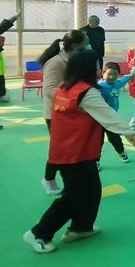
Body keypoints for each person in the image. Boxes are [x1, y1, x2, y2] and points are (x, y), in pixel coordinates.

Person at [23, 50, 135, 254]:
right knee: (74, 196)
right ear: (87, 69)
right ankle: (39, 233)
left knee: (92, 190)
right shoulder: (86, 92)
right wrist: (131, 135)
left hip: (71, 150)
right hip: (75, 153)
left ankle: (81, 227)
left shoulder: (65, 87)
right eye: (97, 66)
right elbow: (107, 115)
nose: (99, 70)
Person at [39, 29, 89, 195]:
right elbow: (49, 90)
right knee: (61, 150)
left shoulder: (76, 60)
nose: (87, 49)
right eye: (85, 46)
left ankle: (63, 181)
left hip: (71, 112)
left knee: (70, 149)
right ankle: (49, 178)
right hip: (57, 114)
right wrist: (73, 100)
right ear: (74, 46)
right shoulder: (55, 63)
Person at [97, 62, 133, 164]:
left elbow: (126, 78)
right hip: (99, 118)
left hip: (112, 118)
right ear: (103, 73)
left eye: (115, 75)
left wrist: (134, 73)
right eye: (109, 74)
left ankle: (121, 152)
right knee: (97, 140)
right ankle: (96, 160)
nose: (112, 77)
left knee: (114, 137)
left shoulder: (117, 83)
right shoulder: (99, 86)